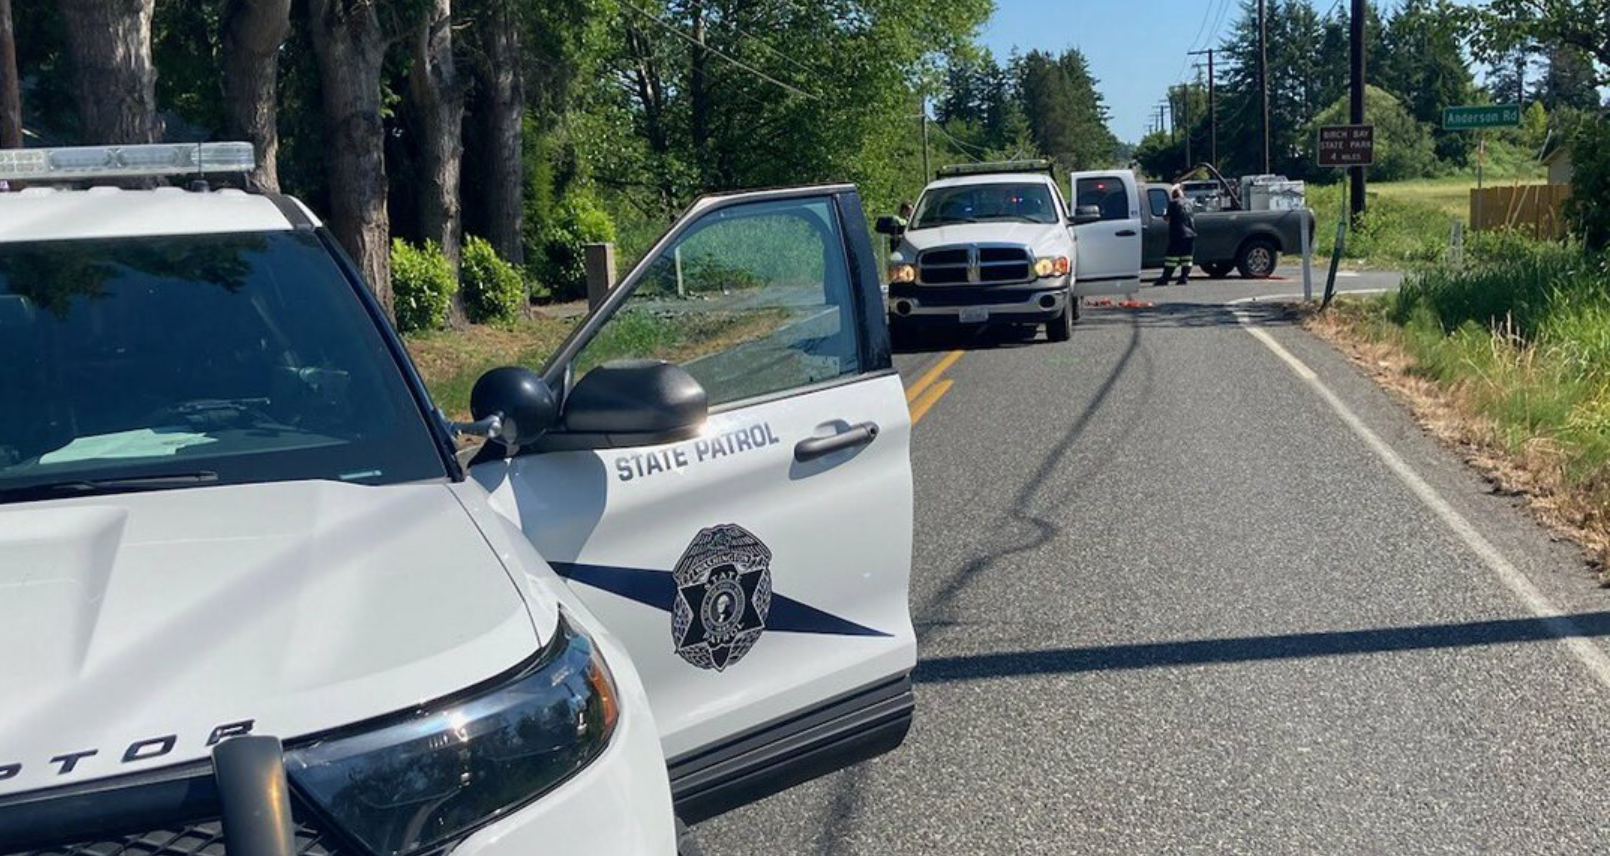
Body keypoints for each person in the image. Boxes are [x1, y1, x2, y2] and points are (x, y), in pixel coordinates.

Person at [1155, 184, 1196, 286]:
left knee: (1171, 258)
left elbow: (1167, 218)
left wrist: (1164, 213)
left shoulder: (1173, 203)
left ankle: (1165, 279)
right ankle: (1184, 277)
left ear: (1173, 195)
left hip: (1178, 234)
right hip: (1190, 234)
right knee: (1187, 258)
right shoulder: (1188, 203)